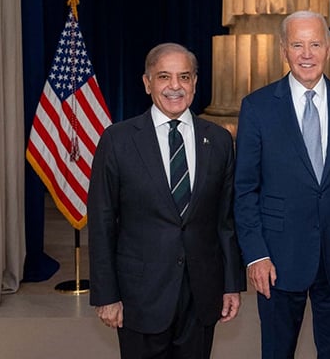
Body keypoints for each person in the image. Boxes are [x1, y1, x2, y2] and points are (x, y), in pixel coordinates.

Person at [234, 10, 330, 358]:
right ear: (283, 49)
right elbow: (244, 189)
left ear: (328, 49)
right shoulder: (258, 107)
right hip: (277, 259)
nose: (307, 54)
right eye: (297, 45)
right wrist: (255, 255)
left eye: (315, 44)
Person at [88, 42, 246, 359]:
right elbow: (102, 221)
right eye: (164, 77)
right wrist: (106, 295)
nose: (175, 86)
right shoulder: (118, 141)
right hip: (139, 295)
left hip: (201, 292)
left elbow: (225, 222)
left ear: (195, 83)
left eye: (184, 77)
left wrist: (231, 285)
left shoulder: (218, 140)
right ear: (147, 83)